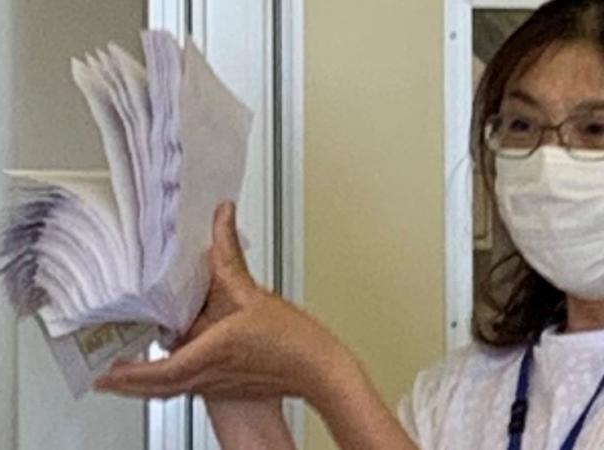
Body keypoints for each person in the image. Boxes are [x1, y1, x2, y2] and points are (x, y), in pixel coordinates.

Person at [95, 0, 604, 448]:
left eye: (595, 129)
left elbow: (327, 379)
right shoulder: (460, 390)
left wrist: (326, 373)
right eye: (522, 125)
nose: (549, 162)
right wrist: (234, 385)